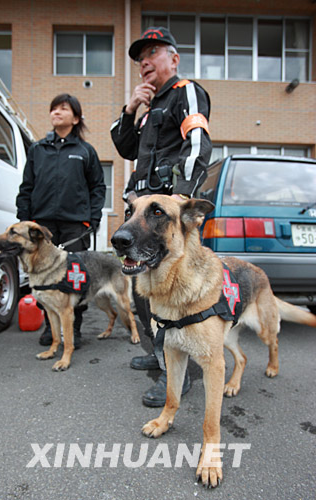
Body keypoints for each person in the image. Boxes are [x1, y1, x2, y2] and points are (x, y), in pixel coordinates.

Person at [111, 27, 212, 407]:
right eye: (140, 59)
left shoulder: (185, 91)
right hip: (142, 211)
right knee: (141, 284)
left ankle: (178, 374)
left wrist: (180, 200)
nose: (145, 63)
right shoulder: (149, 109)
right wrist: (130, 108)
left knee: (176, 290)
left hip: (166, 215)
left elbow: (199, 142)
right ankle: (160, 353)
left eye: (152, 53)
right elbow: (124, 148)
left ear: (174, 58)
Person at [16, 93, 106, 349]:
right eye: (53, 108)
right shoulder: (38, 149)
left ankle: (74, 329)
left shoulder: (85, 151)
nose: (56, 113)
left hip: (75, 225)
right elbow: (27, 187)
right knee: (44, 276)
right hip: (41, 225)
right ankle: (51, 327)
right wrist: (25, 219)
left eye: (63, 109)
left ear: (75, 118)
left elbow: (97, 187)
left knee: (73, 278)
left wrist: (92, 219)